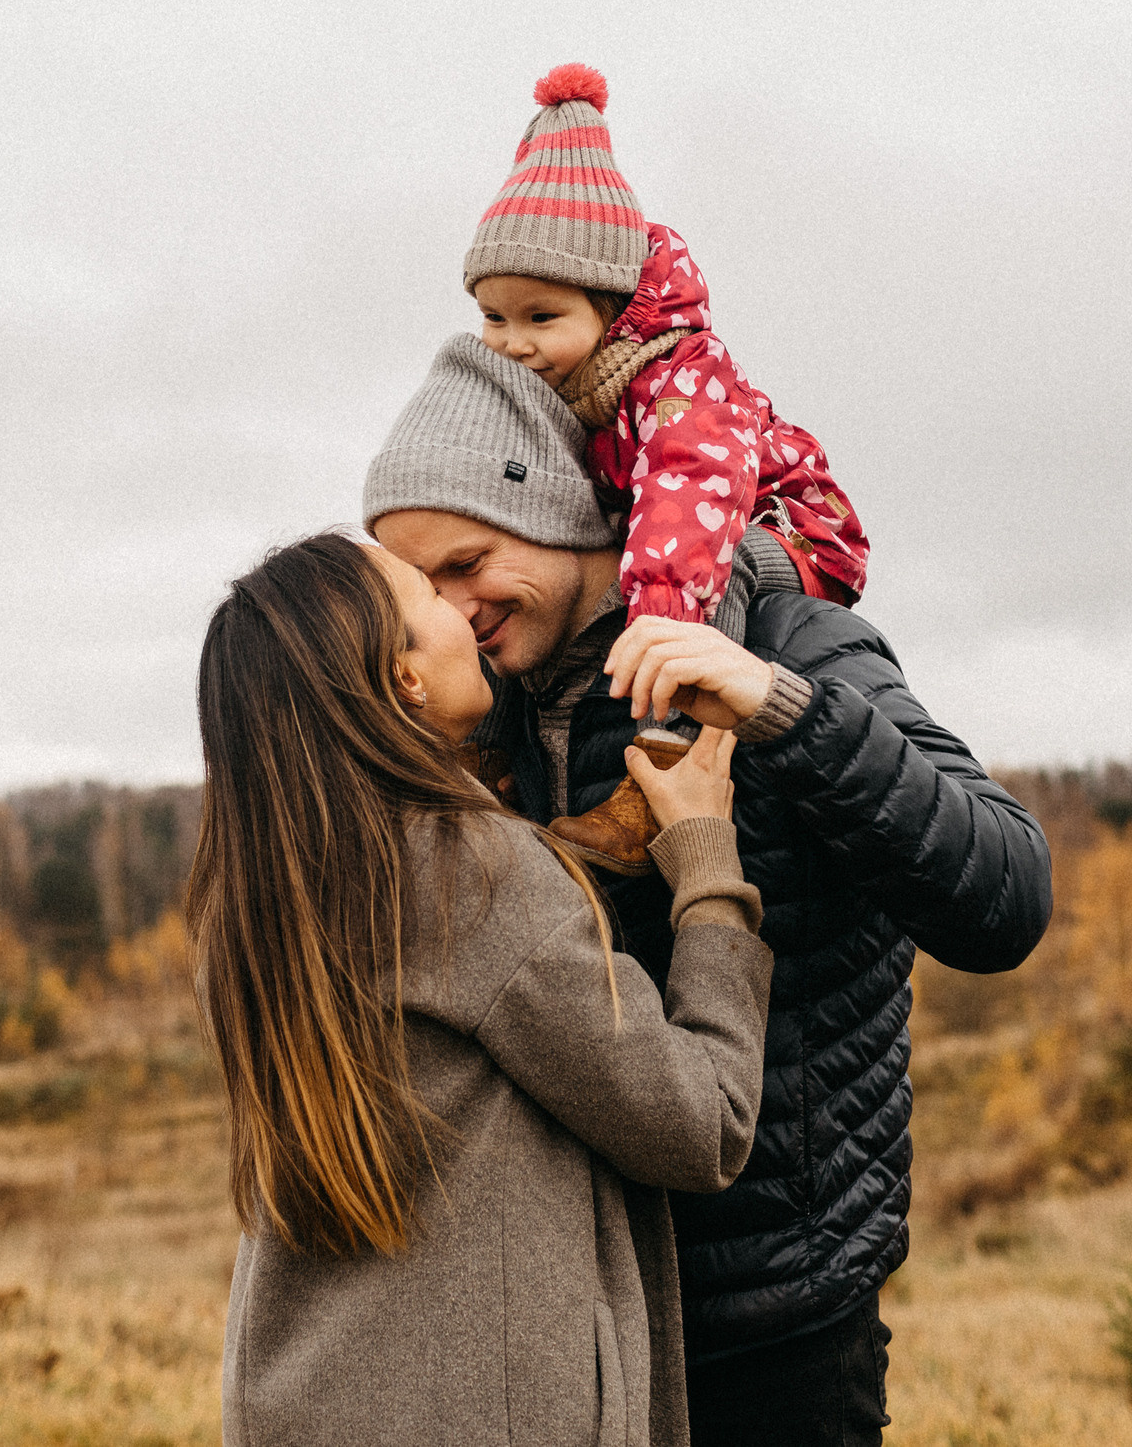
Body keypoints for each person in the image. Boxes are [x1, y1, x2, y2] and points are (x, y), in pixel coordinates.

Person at [365, 338, 1053, 1447]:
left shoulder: (791, 646)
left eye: (468, 560)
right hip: (579, 1326)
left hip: (775, 1316)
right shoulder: (485, 712)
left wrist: (785, 712)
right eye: (422, 587)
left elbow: (1004, 900)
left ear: (561, 508)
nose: (455, 609)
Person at [193, 530, 774, 1447]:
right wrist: (707, 870)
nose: (460, 609)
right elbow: (702, 1123)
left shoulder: (263, 901)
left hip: (296, 1405)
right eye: (427, 594)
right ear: (405, 682)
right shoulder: (470, 872)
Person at [463, 62, 871, 867]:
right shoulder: (559, 387)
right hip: (679, 529)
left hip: (785, 527)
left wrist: (657, 612)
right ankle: (491, 752)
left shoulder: (683, 372)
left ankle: (659, 769)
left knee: (714, 577)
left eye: (542, 316)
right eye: (493, 317)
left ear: (610, 307)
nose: (513, 342)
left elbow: (692, 492)